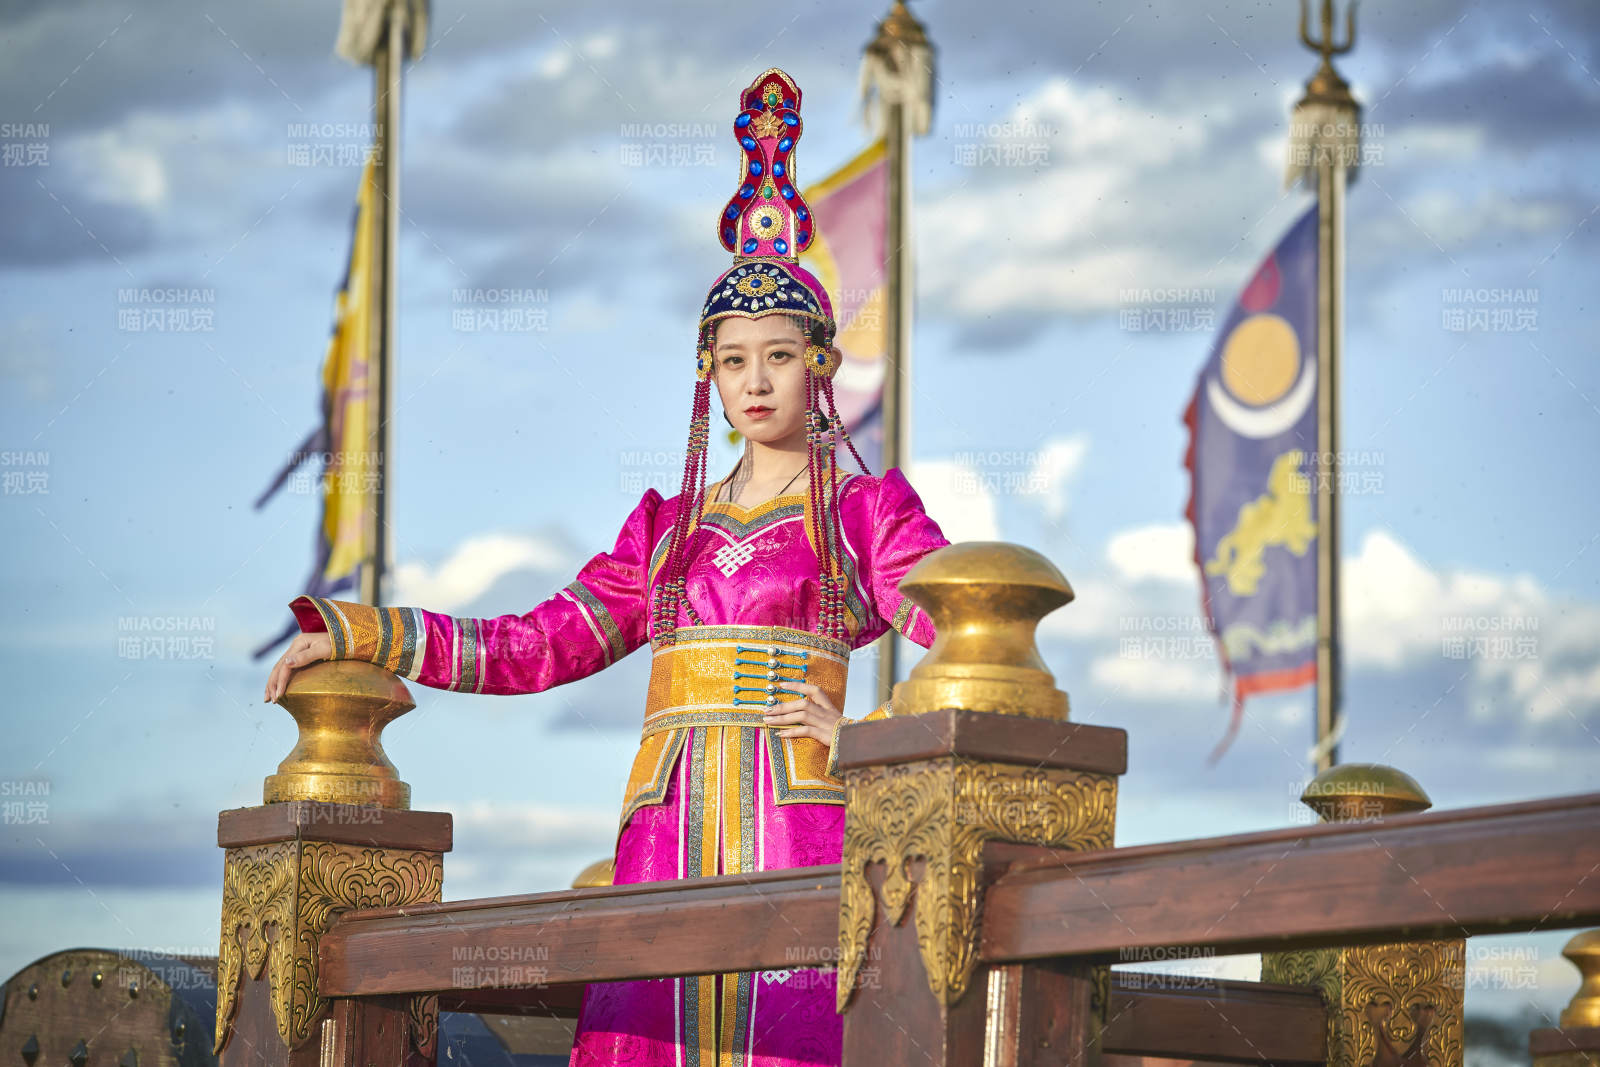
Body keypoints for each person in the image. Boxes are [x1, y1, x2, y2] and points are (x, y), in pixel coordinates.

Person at [263, 67, 950, 1067]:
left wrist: (870, 739)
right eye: (734, 359)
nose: (756, 380)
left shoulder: (863, 510)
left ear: (823, 366)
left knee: (798, 1032)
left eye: (779, 355)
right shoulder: (665, 532)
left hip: (804, 828)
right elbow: (533, 645)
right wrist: (361, 630)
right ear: (709, 376)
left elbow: (970, 630)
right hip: (664, 832)